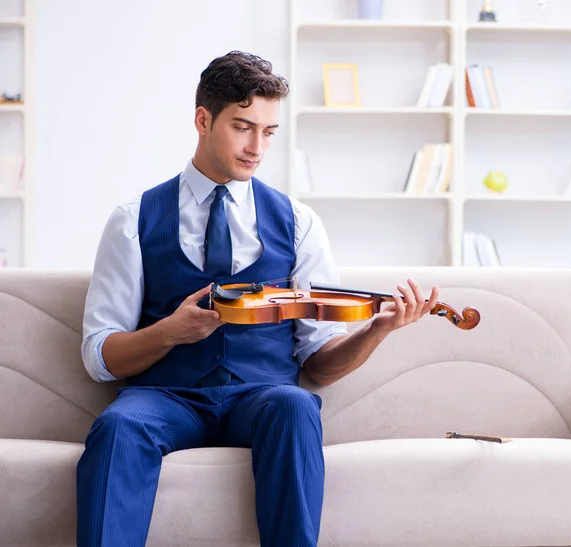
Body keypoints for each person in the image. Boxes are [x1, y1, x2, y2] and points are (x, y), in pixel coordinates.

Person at [77, 50, 440, 547]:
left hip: (261, 395)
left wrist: (378, 328)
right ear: (203, 120)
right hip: (165, 397)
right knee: (117, 426)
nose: (257, 147)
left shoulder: (299, 222)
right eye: (243, 127)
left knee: (295, 406)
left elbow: (320, 364)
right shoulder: (132, 218)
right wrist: (170, 331)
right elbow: (100, 357)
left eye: (268, 132)